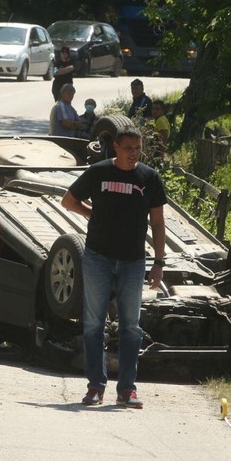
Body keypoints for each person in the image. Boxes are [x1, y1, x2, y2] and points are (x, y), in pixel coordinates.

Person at [61, 125, 167, 408]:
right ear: (116, 148)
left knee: (131, 326)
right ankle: (96, 386)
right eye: (128, 148)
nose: (134, 153)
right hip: (98, 257)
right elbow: (69, 200)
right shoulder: (99, 172)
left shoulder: (149, 177)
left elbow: (157, 222)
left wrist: (159, 262)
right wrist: (91, 213)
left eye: (138, 148)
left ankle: (127, 390)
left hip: (133, 261)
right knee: (94, 323)